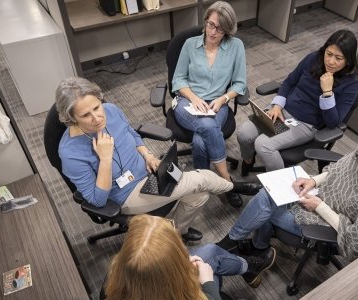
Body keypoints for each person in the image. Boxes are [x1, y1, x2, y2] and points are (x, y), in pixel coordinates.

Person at [56, 77, 260, 242]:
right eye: (86, 115)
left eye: (97, 107)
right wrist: (105, 159)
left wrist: (148, 155)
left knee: (200, 195)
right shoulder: (70, 153)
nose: (97, 118)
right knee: (203, 179)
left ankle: (174, 233)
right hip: (125, 195)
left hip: (150, 172)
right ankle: (233, 187)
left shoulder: (110, 111)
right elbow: (97, 200)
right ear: (71, 118)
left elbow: (132, 134)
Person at [218, 116, 358, 262]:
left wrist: (319, 207)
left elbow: (354, 244)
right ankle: (259, 247)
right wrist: (314, 181)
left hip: (328, 224)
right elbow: (338, 170)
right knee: (269, 193)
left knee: (265, 201)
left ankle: (234, 243)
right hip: (318, 196)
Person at [238, 29, 358, 174]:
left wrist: (327, 93)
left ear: (348, 60)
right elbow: (289, 82)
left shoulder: (352, 83)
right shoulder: (313, 58)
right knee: (244, 133)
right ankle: (248, 161)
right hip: (283, 110)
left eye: (338, 58)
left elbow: (333, 122)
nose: (331, 61)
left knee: (263, 145)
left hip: (307, 125)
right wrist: (277, 105)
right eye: (329, 54)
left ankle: (279, 188)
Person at [103, 215, 276, 300]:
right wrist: (208, 284)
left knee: (210, 250)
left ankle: (247, 267)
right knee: (211, 261)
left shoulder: (115, 277)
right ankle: (249, 267)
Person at [172, 1, 247, 208]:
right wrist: (194, 98)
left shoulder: (236, 47)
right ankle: (227, 182)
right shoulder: (189, 45)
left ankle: (202, 185)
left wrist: (223, 99)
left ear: (228, 30)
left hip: (217, 104)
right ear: (205, 21)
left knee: (199, 141)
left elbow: (240, 83)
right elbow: (178, 80)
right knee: (207, 127)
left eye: (220, 28)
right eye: (211, 25)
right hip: (187, 101)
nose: (213, 32)